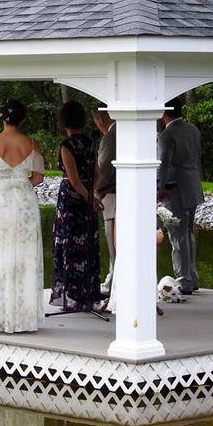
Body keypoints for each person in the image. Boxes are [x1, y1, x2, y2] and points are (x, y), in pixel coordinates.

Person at [0, 99, 45, 333]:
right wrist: (20, 182)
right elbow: (38, 178)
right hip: (24, 200)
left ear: (2, 117)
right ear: (23, 118)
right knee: (24, 256)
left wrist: (0, 184)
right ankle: (23, 318)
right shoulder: (33, 143)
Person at [49, 100, 101, 312]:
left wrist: (88, 197)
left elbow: (73, 179)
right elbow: (96, 173)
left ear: (64, 122)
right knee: (87, 244)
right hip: (87, 196)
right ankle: (86, 295)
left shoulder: (67, 146)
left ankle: (70, 297)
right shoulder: (90, 142)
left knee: (70, 245)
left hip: (72, 200)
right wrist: (93, 195)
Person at [157, 97, 204, 295]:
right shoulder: (193, 129)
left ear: (164, 113)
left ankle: (183, 280)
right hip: (193, 187)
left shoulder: (167, 135)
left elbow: (164, 164)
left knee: (177, 236)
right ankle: (192, 277)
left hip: (175, 191)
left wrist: (158, 189)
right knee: (189, 233)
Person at [91, 105, 116, 298]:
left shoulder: (110, 138)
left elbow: (104, 169)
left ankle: (112, 282)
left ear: (99, 119)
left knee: (113, 241)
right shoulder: (122, 133)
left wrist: (96, 193)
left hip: (113, 196)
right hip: (117, 193)